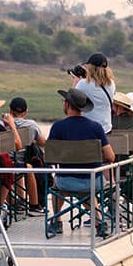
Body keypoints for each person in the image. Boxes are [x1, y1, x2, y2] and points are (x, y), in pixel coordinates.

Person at [46, 88, 114, 235]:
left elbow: (49, 157)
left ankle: (56, 221)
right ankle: (99, 222)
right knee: (87, 190)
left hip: (66, 181)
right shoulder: (96, 127)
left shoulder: (58, 127)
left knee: (57, 186)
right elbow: (111, 157)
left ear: (67, 104)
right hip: (93, 181)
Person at [9, 96, 47, 214]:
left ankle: (18, 202)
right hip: (23, 164)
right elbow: (43, 142)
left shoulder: (2, 125)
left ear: (10, 111)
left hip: (5, 163)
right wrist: (33, 140)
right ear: (25, 112)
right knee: (28, 164)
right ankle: (34, 204)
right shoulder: (31, 125)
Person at [71, 52, 117, 132]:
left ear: (91, 68)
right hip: (106, 129)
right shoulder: (111, 84)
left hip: (88, 130)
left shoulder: (82, 84)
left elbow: (71, 102)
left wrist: (75, 82)